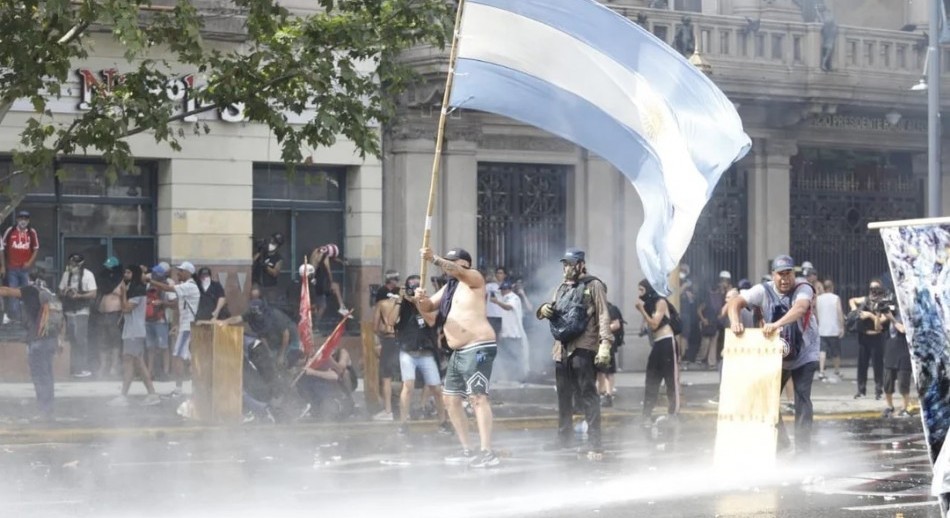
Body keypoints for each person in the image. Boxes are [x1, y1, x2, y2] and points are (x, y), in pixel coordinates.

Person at [414, 247, 499, 468]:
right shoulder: (448, 287)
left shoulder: (474, 278)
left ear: (465, 264)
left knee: (477, 396)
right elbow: (428, 307)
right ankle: (467, 449)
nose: (448, 265)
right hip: (458, 351)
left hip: (479, 346)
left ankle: (487, 451)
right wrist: (418, 299)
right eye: (446, 261)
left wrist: (434, 258)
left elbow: (456, 270)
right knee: (450, 399)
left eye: (453, 262)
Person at [727, 254, 819, 454]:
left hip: (805, 352)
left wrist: (776, 324)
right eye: (781, 275)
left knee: (802, 397)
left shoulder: (803, 288)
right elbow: (736, 302)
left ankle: (803, 451)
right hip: (776, 354)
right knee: (766, 400)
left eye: (789, 274)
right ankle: (782, 442)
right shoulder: (763, 290)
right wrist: (735, 320)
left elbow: (801, 308)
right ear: (773, 275)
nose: (785, 279)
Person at [536, 248, 613, 457]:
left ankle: (595, 442)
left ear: (580, 264)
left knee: (588, 394)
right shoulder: (561, 287)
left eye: (571, 264)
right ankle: (564, 438)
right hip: (561, 349)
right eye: (565, 264)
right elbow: (553, 307)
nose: (567, 268)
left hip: (584, 347)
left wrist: (605, 343)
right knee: (563, 395)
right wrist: (543, 309)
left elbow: (603, 314)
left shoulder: (593, 285)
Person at [0, 274, 62, 420]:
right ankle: (48, 409)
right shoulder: (48, 293)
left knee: (40, 377)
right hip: (50, 340)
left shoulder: (30, 290)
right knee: (47, 376)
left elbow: (7, 291)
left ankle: (44, 411)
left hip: (38, 341)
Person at [395, 274, 450, 435]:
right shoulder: (403, 305)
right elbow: (391, 321)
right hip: (408, 351)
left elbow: (432, 321)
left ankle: (443, 421)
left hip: (426, 352)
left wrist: (418, 303)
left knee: (437, 389)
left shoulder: (429, 303)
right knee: (408, 386)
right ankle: (403, 423)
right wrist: (400, 299)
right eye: (411, 286)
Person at [109, 266, 160, 407]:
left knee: (131, 362)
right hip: (130, 332)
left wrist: (123, 293)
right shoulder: (132, 288)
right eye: (125, 272)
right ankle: (150, 393)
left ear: (135, 273)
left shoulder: (138, 290)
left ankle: (126, 395)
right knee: (136, 363)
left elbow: (126, 308)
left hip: (134, 332)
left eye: (129, 272)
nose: (125, 274)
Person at [149, 262, 200, 397]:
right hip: (185, 326)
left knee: (177, 357)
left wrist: (150, 280)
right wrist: (176, 325)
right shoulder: (187, 287)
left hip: (187, 328)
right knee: (187, 358)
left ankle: (179, 390)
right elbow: (177, 306)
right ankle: (194, 387)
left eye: (181, 271)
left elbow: (167, 288)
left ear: (189, 272)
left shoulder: (189, 286)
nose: (178, 273)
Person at [637, 280, 680, 422]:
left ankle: (673, 413)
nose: (640, 294)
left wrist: (642, 310)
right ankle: (647, 414)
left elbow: (655, 324)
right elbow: (645, 328)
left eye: (642, 290)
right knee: (651, 379)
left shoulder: (661, 302)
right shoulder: (649, 305)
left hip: (667, 342)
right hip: (657, 344)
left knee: (670, 380)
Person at [849, 280, 890, 400]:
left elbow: (882, 320)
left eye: (876, 288)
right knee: (862, 365)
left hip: (877, 337)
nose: (873, 291)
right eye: (872, 288)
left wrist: (870, 315)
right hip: (864, 337)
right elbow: (852, 300)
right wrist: (854, 309)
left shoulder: (883, 303)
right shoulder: (865, 299)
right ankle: (861, 390)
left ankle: (878, 390)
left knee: (878, 366)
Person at [59, 253, 96, 378]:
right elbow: (60, 290)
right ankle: (74, 366)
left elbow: (93, 293)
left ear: (80, 264)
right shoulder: (66, 275)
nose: (71, 266)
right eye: (70, 263)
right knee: (72, 339)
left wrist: (79, 296)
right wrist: (66, 291)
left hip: (81, 311)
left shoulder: (88, 275)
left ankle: (82, 366)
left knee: (81, 339)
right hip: (69, 311)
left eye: (74, 264)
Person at [371, 270, 401, 421]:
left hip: (388, 341)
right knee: (404, 378)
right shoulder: (403, 304)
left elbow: (375, 327)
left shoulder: (381, 304)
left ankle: (388, 411)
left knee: (386, 377)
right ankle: (404, 410)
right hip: (403, 342)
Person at [1, 210, 40, 324]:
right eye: (21, 218)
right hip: (12, 267)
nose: (23, 221)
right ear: (17, 219)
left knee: (26, 293)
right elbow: (2, 248)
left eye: (26, 218)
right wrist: (4, 265)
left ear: (28, 220)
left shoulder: (32, 232)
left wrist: (29, 262)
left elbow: (36, 249)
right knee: (12, 291)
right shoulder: (10, 230)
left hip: (25, 269)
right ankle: (15, 317)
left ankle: (26, 318)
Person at [490, 279, 528, 383]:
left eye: (502, 289)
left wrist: (497, 302)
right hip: (506, 333)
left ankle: (520, 377)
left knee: (516, 356)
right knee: (505, 356)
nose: (501, 291)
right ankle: (508, 376)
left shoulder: (514, 298)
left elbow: (508, 308)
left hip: (514, 334)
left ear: (506, 289)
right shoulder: (505, 298)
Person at [95, 256, 126, 379]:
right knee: (102, 341)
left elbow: (124, 298)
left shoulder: (121, 281)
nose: (108, 270)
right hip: (102, 314)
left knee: (115, 341)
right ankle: (103, 366)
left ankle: (114, 366)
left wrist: (122, 315)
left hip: (115, 314)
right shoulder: (103, 279)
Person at [145, 263, 173, 381]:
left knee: (163, 347)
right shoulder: (148, 285)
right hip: (148, 319)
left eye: (156, 273)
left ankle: (165, 372)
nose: (154, 274)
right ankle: (150, 372)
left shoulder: (168, 285)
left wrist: (162, 303)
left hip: (161, 320)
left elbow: (174, 303)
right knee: (151, 347)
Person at [882, 310, 913, 418]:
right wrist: (877, 314)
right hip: (890, 351)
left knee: (903, 383)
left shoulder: (909, 315)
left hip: (904, 352)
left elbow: (903, 329)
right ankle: (890, 406)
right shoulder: (891, 314)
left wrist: (892, 318)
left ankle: (905, 408)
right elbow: (877, 327)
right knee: (887, 383)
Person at [309, 244, 350, 318]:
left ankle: (314, 322)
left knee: (320, 304)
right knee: (335, 286)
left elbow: (334, 258)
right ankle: (341, 306)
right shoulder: (325, 257)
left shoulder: (316, 252)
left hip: (313, 281)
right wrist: (331, 282)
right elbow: (328, 269)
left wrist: (342, 262)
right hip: (319, 284)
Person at [815, 279, 844, 381]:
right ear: (832, 287)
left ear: (824, 287)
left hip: (822, 329)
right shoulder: (836, 298)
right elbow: (839, 312)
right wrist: (841, 327)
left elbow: (816, 313)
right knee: (835, 351)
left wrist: (819, 323)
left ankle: (821, 371)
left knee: (822, 351)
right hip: (833, 329)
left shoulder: (818, 299)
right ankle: (837, 370)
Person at [597, 302, 625, 407]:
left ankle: (608, 395)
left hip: (607, 343)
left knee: (608, 371)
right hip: (597, 343)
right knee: (599, 370)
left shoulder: (610, 308)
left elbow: (616, 324)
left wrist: (600, 331)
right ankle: (600, 393)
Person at [252, 232, 284, 305]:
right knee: (255, 294)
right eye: (272, 241)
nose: (271, 244)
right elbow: (253, 261)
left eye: (274, 243)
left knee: (271, 302)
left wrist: (265, 266)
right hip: (258, 282)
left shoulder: (278, 258)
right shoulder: (263, 252)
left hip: (270, 285)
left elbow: (275, 273)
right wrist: (260, 251)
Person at [485, 266, 507, 336]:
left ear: (504, 275)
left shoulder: (507, 286)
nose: (498, 275)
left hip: (502, 315)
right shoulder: (489, 286)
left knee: (500, 335)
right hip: (490, 315)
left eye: (500, 273)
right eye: (497, 273)